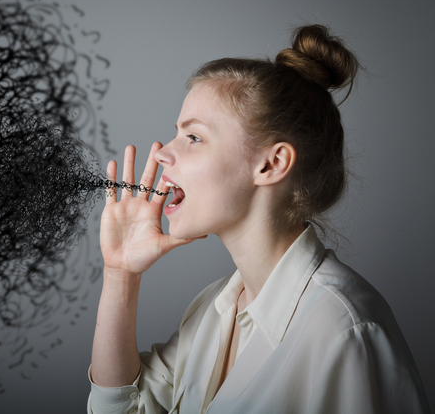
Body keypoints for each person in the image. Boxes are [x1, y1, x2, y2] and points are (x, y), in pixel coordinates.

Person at [87, 25, 429, 413]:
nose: (163, 152)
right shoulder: (214, 307)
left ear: (271, 164)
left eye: (193, 137)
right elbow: (124, 408)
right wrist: (120, 275)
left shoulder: (345, 331)